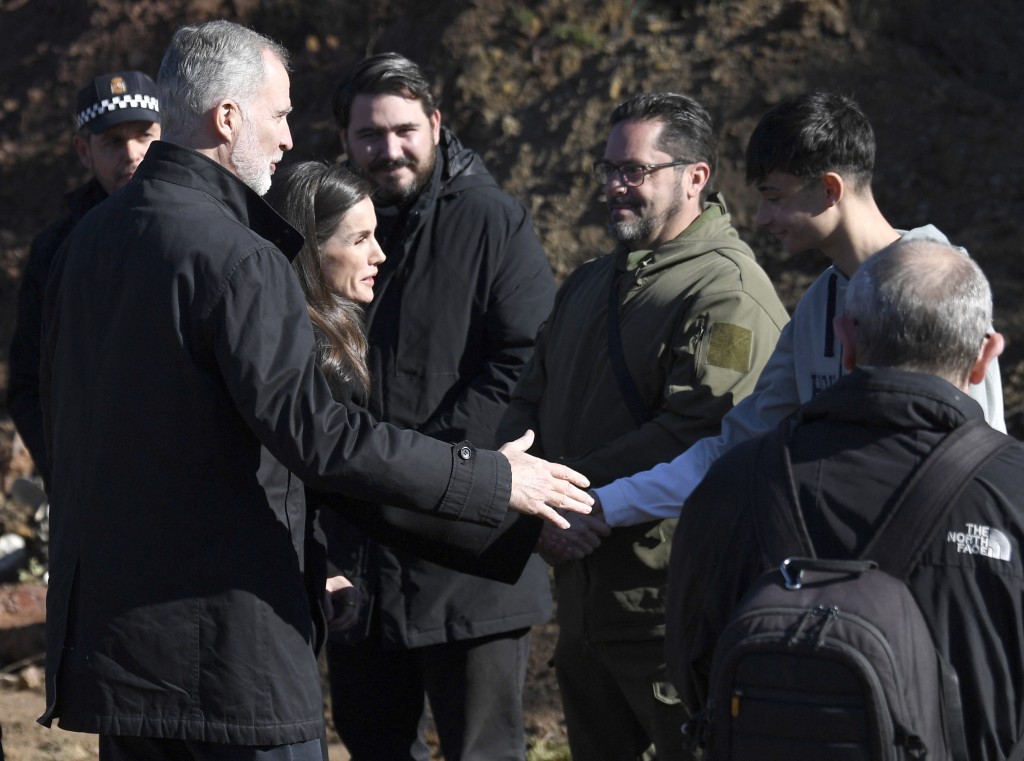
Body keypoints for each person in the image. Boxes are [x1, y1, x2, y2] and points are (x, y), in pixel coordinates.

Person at [37, 21, 592, 761]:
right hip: (227, 656)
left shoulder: (87, 242)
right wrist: (492, 476)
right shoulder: (240, 254)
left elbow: (105, 431)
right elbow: (317, 434)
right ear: (226, 117)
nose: (289, 138)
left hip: (117, 647)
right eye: (279, 114)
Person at [496, 92, 789, 761]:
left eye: (634, 170)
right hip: (582, 602)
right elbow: (529, 399)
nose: (615, 185)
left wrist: (564, 500)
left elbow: (703, 435)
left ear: (695, 176)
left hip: (671, 609)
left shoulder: (727, 292)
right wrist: (518, 488)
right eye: (608, 169)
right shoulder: (591, 281)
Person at [667, 238, 1023, 761]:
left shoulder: (734, 483)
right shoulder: (1013, 492)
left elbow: (690, 667)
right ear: (985, 357)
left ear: (845, 341)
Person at [589, 90, 1006, 531]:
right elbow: (740, 444)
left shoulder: (943, 290)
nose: (762, 217)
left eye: (775, 197)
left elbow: (980, 453)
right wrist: (606, 504)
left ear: (830, 189)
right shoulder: (818, 305)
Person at [324, 53, 557, 761]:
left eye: (403, 129)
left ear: (435, 123)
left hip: (470, 560)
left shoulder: (492, 220)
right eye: (369, 134)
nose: (387, 149)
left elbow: (524, 362)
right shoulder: (328, 231)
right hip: (359, 566)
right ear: (345, 140)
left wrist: (429, 468)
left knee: (483, 751)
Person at [8, 70, 161, 489]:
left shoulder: (212, 227)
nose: (132, 154)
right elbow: (27, 384)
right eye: (112, 142)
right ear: (83, 152)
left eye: (144, 135)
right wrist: (72, 479)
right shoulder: (56, 251)